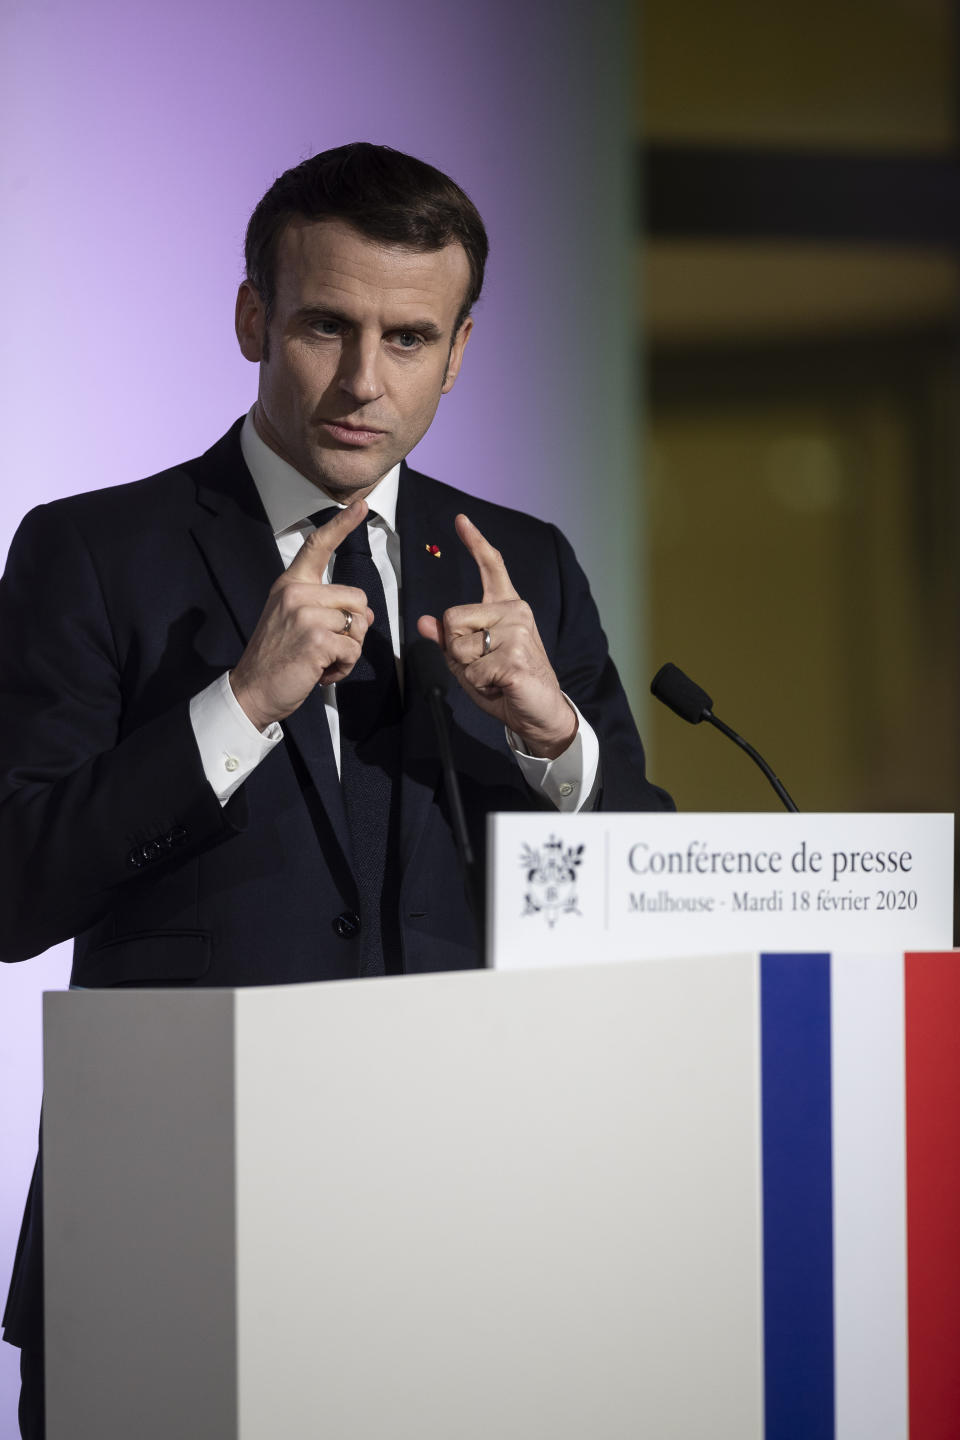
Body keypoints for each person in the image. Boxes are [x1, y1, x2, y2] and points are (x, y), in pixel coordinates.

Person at [0, 141, 672, 1436]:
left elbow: (646, 884)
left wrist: (556, 739)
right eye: (325, 325)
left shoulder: (517, 564)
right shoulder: (91, 552)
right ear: (254, 316)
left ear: (462, 348)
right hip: (168, 1241)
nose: (366, 381)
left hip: (466, 1252)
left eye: (411, 337)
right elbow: (16, 881)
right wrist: (242, 702)